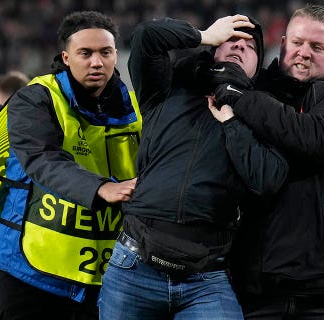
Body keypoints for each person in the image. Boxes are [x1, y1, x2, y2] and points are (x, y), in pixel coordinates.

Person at [97, 14, 288, 319]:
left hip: (206, 279)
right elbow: (147, 36)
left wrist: (232, 122)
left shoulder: (264, 114)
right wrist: (203, 35)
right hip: (135, 266)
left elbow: (267, 179)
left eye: (250, 46)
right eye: (231, 40)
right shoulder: (167, 88)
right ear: (214, 49)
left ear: (257, 68)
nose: (239, 46)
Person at [0, 11, 141, 320]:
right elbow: (41, 159)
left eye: (105, 52)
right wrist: (101, 187)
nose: (97, 62)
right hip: (23, 272)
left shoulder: (136, 108)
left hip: (99, 281)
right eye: (86, 53)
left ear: (116, 55)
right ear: (66, 57)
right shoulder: (34, 100)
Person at [213, 4, 324, 319]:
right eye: (297, 43)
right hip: (256, 293)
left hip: (323, 294)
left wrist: (241, 100)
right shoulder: (256, 85)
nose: (304, 52)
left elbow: (312, 137)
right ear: (282, 44)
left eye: (317, 47)